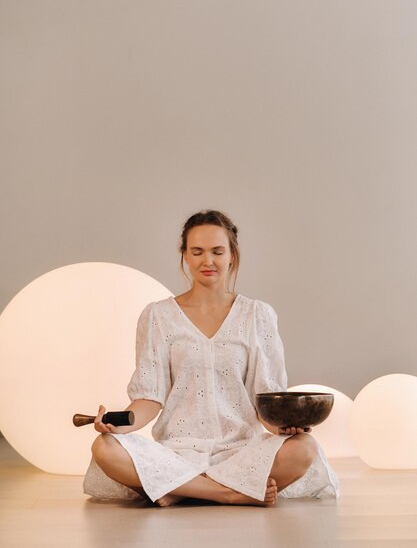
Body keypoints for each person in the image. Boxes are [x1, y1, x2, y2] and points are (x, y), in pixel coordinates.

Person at [83, 209, 339, 506]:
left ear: (232, 255)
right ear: (185, 256)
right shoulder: (157, 316)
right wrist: (120, 425)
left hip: (241, 452)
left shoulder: (257, 315)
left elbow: (264, 402)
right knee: (105, 448)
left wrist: (283, 427)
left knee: (303, 448)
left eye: (217, 251)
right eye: (197, 252)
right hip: (175, 454)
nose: (208, 261)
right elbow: (150, 397)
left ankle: (177, 491)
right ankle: (231, 494)